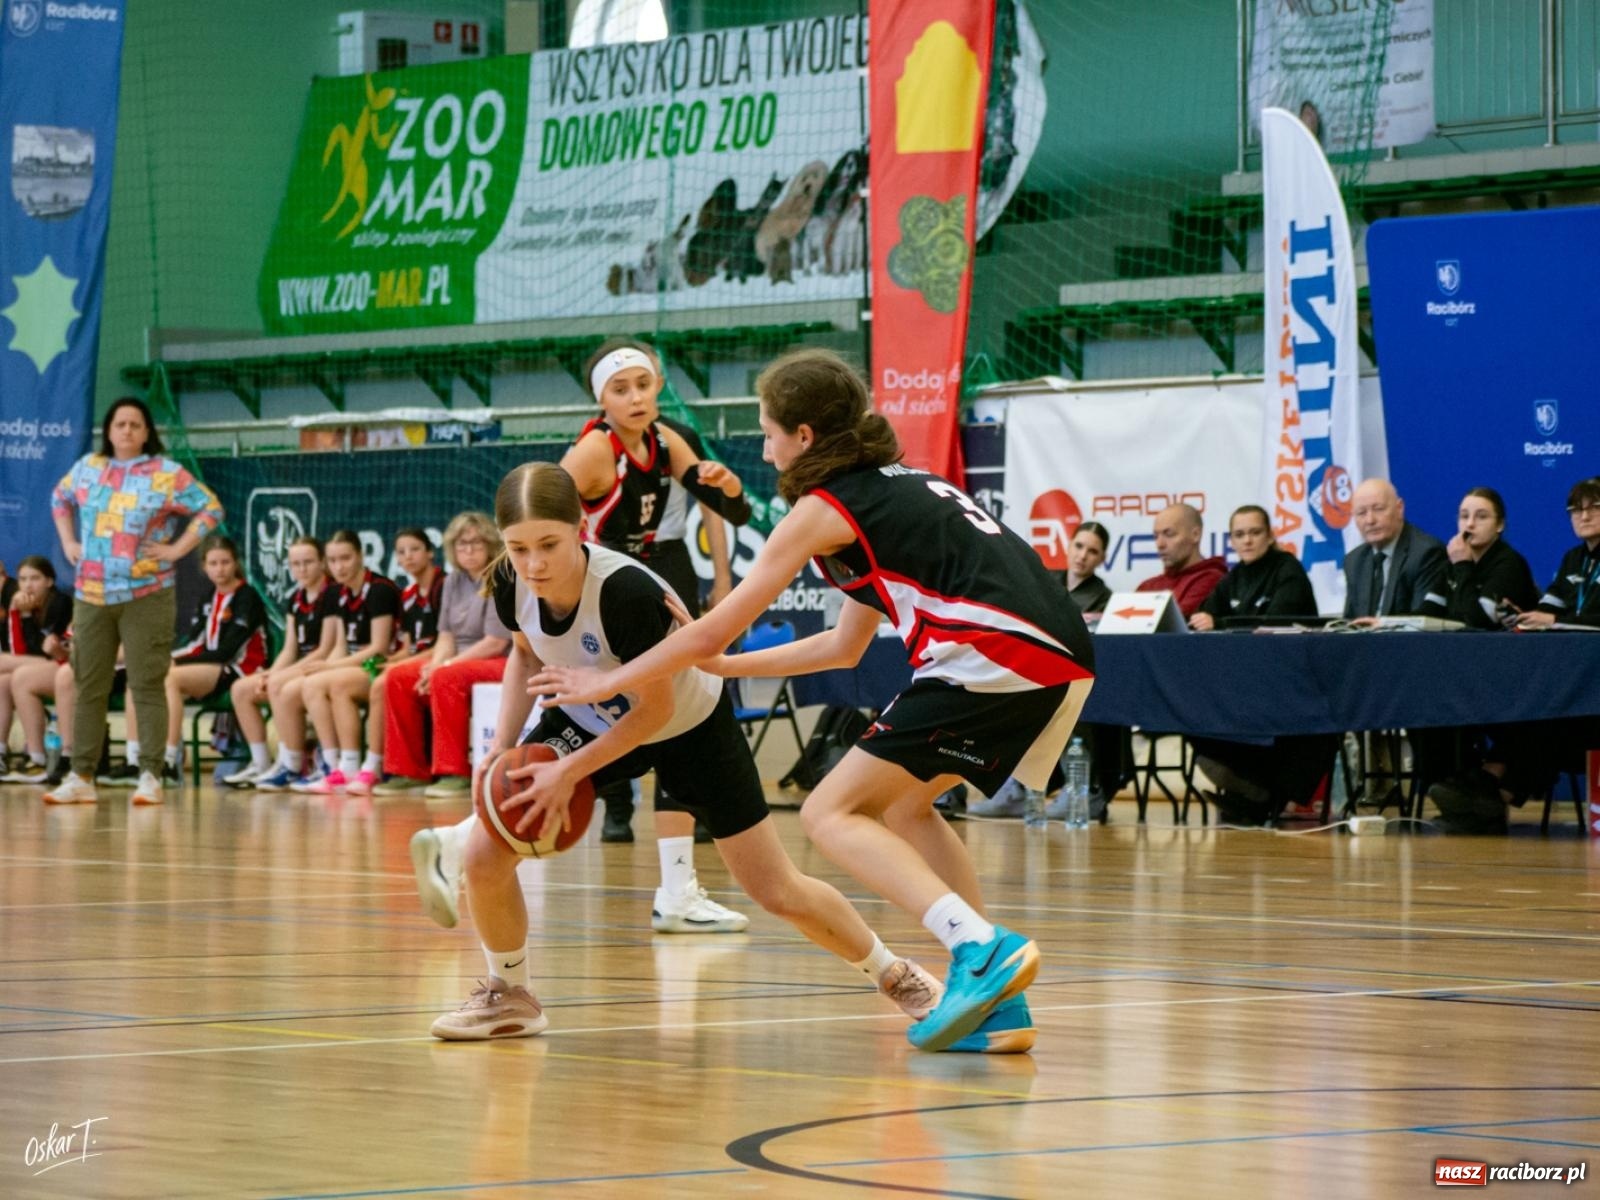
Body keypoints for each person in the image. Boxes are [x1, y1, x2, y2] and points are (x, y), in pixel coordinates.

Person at [531, 349, 1095, 1053]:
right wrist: (725, 664)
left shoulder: (821, 508)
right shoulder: (890, 487)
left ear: (803, 437)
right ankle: (991, 1000)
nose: (764, 449)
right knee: (906, 806)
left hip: (992, 652)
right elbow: (843, 646)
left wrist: (605, 680)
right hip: (1060, 654)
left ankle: (979, 945)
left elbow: (715, 621)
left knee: (831, 811)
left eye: (768, 432)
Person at [420, 462, 944, 1044]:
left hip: (688, 723)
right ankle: (509, 994)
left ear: (582, 527)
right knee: (485, 854)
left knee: (775, 889)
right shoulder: (510, 581)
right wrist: (500, 750)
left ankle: (896, 974)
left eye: (549, 544)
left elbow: (655, 711)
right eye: (519, 548)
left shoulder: (625, 592)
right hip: (589, 713)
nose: (535, 563)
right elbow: (523, 656)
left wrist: (569, 771)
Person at [553, 336, 754, 929]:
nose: (636, 397)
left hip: (663, 577)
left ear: (659, 386)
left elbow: (731, 512)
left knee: (678, 719)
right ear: (602, 399)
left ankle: (677, 887)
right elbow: (541, 514)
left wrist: (730, 485)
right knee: (625, 717)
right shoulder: (593, 451)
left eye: (643, 384)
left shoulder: (668, 440)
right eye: (622, 389)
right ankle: (489, 832)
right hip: (609, 581)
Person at [46, 397, 224, 806]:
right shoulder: (89, 468)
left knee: (147, 683)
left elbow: (210, 509)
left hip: (147, 595)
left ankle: (150, 773)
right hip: (92, 594)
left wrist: (178, 549)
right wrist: (69, 541)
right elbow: (59, 499)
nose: (127, 431)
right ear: (108, 430)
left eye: (135, 425)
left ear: (147, 433)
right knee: (87, 682)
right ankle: (82, 775)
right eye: (120, 424)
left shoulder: (166, 473)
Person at [373, 512, 512, 797]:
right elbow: (446, 637)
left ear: (490, 544)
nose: (469, 550)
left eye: (476, 543)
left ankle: (453, 772)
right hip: (457, 661)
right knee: (398, 677)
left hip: (499, 661)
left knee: (447, 677)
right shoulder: (452, 582)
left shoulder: (502, 576)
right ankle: (408, 770)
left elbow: (495, 642)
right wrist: (434, 665)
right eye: (462, 545)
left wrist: (445, 667)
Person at [131, 535, 268, 788]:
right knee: (152, 674)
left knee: (170, 676)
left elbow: (227, 650)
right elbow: (195, 644)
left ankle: (169, 761)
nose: (220, 569)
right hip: (214, 667)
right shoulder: (209, 597)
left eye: (225, 562)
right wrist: (169, 658)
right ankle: (141, 756)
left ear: (235, 563)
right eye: (213, 563)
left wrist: (173, 661)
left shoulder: (247, 597)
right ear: (204, 567)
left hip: (241, 667)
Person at [338, 528, 443, 795]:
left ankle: (374, 766)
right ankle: (355, 765)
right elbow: (408, 647)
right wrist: (387, 661)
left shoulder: (444, 586)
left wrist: (396, 666)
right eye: (401, 552)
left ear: (430, 552)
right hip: (416, 661)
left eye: (415, 549)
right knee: (379, 675)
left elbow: (444, 644)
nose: (408, 556)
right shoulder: (407, 595)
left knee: (383, 683)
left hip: (441, 660)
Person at [294, 531, 401, 792]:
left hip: (379, 665)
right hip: (355, 666)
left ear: (360, 556)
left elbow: (378, 648)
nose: (339, 566)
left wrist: (330, 667)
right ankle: (335, 766)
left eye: (345, 558)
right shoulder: (337, 592)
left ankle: (362, 765)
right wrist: (327, 666)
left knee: (338, 684)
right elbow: (340, 645)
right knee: (312, 684)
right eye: (332, 560)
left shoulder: (379, 589)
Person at [224, 537, 335, 788]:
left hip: (322, 666)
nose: (302, 569)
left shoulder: (332, 594)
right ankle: (261, 762)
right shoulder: (296, 598)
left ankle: (291, 764)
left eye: (308, 562)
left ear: (321, 563)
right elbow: (289, 648)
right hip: (299, 667)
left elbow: (325, 650)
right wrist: (272, 671)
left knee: (277, 685)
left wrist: (282, 675)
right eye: (296, 564)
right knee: (241, 689)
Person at [1423, 487, 1538, 630]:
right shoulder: (1452, 563)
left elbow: (1478, 623)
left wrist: (1462, 565)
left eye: (1481, 517)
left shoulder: (1509, 563)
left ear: (1500, 525)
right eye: (1464, 516)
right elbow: (1427, 614)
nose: (1470, 524)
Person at [0, 557, 72, 781]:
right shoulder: (18, 602)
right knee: (3, 681)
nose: (28, 585)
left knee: (13, 670)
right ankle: (3, 751)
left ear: (49, 581)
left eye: (35, 579)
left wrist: (26, 616)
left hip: (62, 665)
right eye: (22, 579)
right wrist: (15, 612)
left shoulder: (60, 603)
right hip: (41, 666)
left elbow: (42, 649)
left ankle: (38, 756)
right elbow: (18, 650)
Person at [1190, 505, 1316, 631]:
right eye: (1239, 535)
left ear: (1270, 537)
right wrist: (1203, 621)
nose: (1247, 541)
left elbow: (1275, 624)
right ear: (1232, 542)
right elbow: (1205, 615)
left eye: (1255, 533)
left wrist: (1218, 624)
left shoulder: (1288, 569)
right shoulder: (1233, 576)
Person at [1341, 478, 1448, 619]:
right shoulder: (1354, 561)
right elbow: (1350, 621)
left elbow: (1421, 622)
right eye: (1361, 513)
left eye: (1378, 509)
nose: (1370, 520)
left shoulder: (1426, 553)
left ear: (1399, 508)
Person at [1518, 476, 1600, 629]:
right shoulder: (1573, 558)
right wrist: (1527, 617)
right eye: (1576, 510)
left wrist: (1556, 621)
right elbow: (1550, 605)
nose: (1584, 517)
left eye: (1595, 507)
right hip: (1571, 645)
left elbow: (1554, 619)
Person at [1136, 504, 1227, 617]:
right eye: (1156, 536)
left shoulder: (1212, 579)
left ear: (1195, 535)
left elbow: (1175, 622)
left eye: (1169, 534)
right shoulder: (1147, 586)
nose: (1160, 544)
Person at [1063, 521, 1112, 615]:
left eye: (1093, 551)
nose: (1083, 556)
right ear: (1069, 546)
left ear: (1102, 558)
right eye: (1078, 546)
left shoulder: (1105, 599)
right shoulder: (1046, 580)